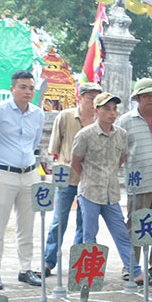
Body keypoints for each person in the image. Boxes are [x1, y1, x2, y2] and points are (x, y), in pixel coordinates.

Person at [0, 70, 44, 290]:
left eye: (31, 88)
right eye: (23, 87)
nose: (28, 92)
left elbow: (35, 142)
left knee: (27, 226)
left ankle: (26, 269)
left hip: (29, 174)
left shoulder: (38, 114)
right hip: (3, 173)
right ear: (12, 89)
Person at [72, 92, 143, 284]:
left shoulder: (121, 135)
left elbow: (121, 159)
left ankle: (135, 271)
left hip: (111, 194)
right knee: (89, 235)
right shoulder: (85, 135)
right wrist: (89, 178)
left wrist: (108, 174)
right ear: (96, 111)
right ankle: (87, 274)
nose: (112, 113)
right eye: (106, 108)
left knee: (121, 233)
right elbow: (76, 161)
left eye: (114, 109)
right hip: (89, 193)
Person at [42, 82, 100, 276]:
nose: (94, 102)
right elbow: (54, 149)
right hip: (66, 177)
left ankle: (79, 262)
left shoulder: (101, 120)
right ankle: (48, 262)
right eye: (91, 97)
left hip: (90, 180)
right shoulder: (65, 116)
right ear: (80, 97)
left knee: (85, 224)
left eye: (97, 98)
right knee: (59, 220)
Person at [120, 77, 152, 281]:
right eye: (147, 95)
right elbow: (121, 152)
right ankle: (131, 267)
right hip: (137, 182)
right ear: (138, 98)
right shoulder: (125, 121)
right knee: (135, 225)